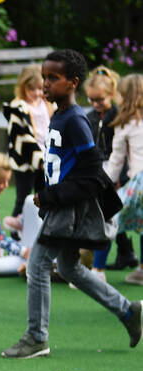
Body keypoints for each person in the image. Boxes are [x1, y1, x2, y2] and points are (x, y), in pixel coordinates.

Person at [2, 50, 143, 360]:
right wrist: (44, 192)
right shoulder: (61, 116)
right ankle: (128, 312)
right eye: (45, 77)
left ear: (73, 83)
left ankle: (37, 337)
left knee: (38, 264)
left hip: (68, 209)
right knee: (68, 266)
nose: (46, 84)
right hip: (60, 205)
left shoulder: (76, 120)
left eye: (54, 78)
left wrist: (52, 197)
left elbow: (92, 174)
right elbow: (60, 164)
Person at [84, 66, 127, 281]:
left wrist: (118, 175)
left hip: (117, 173)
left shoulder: (118, 115)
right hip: (99, 171)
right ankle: (126, 252)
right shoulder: (90, 116)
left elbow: (120, 150)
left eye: (99, 100)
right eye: (91, 100)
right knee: (110, 215)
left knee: (111, 215)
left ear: (111, 95)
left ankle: (99, 268)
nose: (95, 104)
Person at [3, 65, 54, 227]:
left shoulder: (48, 104)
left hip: (46, 157)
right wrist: (38, 160)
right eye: (32, 89)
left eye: (40, 89)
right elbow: (20, 137)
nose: (37, 93)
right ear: (23, 87)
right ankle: (16, 236)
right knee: (23, 198)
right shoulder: (17, 107)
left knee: (43, 197)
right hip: (25, 161)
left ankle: (40, 231)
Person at [104, 73, 143, 285]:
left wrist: (104, 183)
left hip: (140, 182)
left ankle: (97, 269)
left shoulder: (125, 122)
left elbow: (116, 159)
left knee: (109, 217)